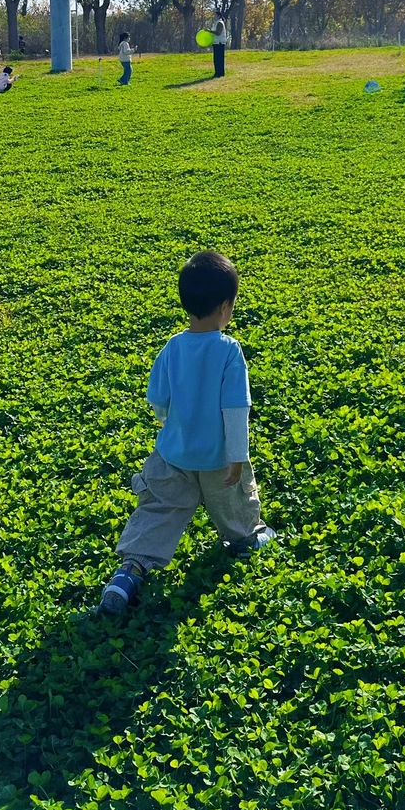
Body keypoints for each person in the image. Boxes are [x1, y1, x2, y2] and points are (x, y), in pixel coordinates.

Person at [99, 251, 276, 615]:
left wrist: (170, 421)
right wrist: (237, 456)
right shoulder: (229, 351)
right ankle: (246, 538)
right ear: (225, 307)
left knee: (158, 510)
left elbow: (158, 399)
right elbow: (235, 409)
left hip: (173, 454)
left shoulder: (172, 347)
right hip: (217, 458)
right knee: (234, 503)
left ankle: (130, 571)